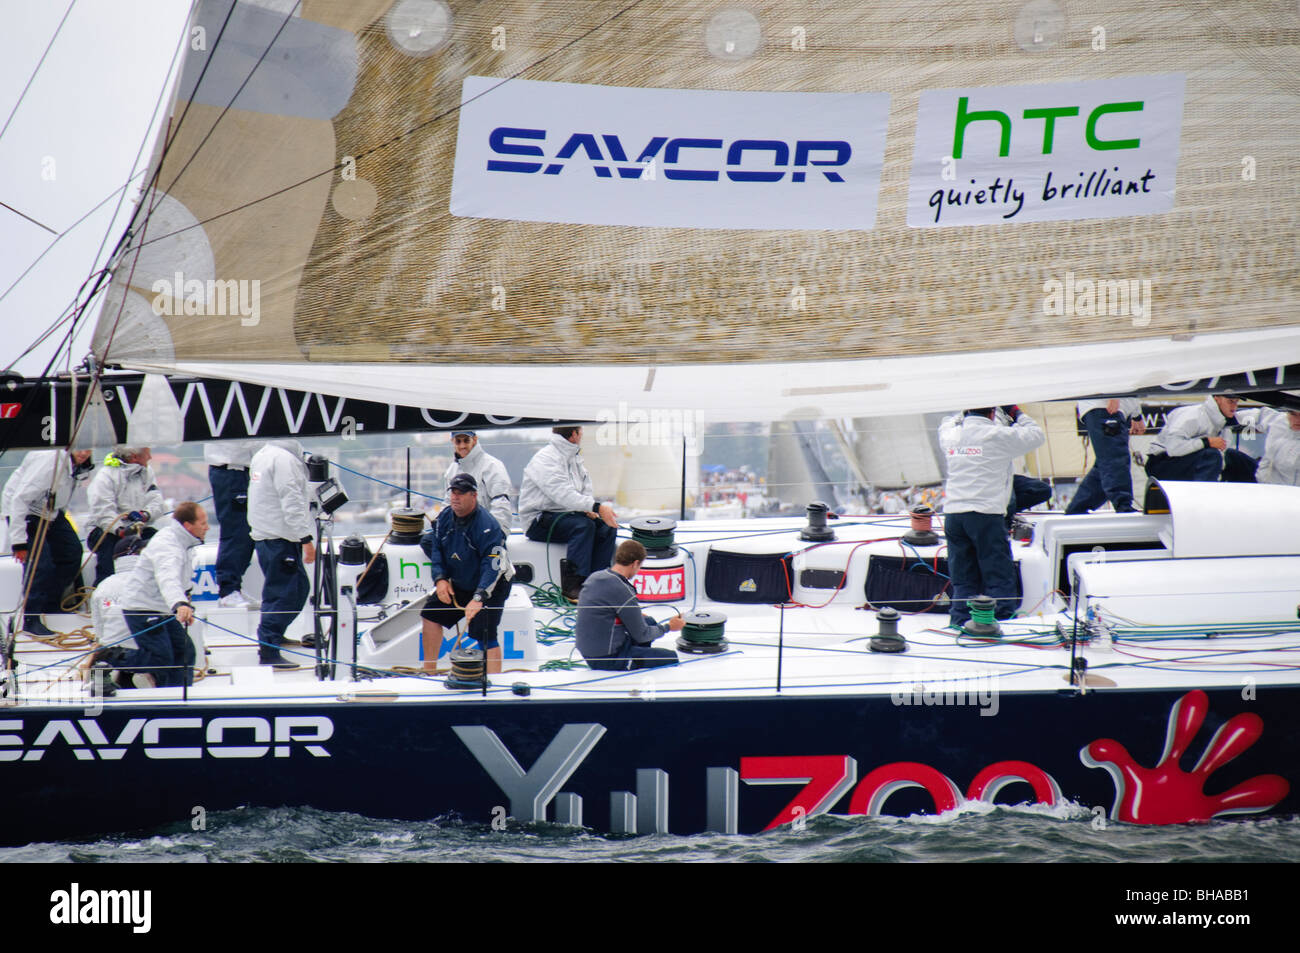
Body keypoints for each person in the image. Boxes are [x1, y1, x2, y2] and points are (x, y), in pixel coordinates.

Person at [939, 405, 1046, 629]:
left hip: (954, 515)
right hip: (985, 515)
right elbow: (1035, 435)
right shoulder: (998, 435)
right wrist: (1014, 412)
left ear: (967, 412)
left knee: (963, 576)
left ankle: (960, 621)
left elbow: (947, 422)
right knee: (997, 573)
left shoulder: (951, 435)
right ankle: (1001, 621)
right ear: (991, 414)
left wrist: (963, 411)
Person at [92, 502, 207, 688]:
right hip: (141, 607)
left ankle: (178, 695)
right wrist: (179, 603)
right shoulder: (169, 546)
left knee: (185, 652)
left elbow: (180, 579)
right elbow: (167, 577)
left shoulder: (183, 542)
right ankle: (108, 657)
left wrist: (185, 602)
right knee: (160, 658)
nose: (207, 527)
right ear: (188, 526)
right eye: (203, 523)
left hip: (160, 607)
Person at [419, 473, 512, 674]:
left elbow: (493, 566)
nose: (455, 497)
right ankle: (429, 671)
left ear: (474, 495)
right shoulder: (444, 517)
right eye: (453, 492)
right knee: (430, 616)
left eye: (461, 493)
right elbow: (436, 550)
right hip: (462, 580)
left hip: (493, 584)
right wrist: (441, 579)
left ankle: (494, 684)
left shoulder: (488, 526)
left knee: (485, 634)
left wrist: (479, 597)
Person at [519, 425, 618, 601]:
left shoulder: (573, 458)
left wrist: (589, 509)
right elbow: (561, 493)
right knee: (583, 526)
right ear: (573, 435)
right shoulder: (546, 458)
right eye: (581, 432)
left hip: (566, 515)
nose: (582, 435)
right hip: (538, 520)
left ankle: (597, 584)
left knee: (606, 528)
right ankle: (572, 586)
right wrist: (596, 507)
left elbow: (585, 487)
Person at [3, 448, 94, 636]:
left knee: (72, 553)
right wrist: (19, 542)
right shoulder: (49, 463)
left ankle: (51, 605)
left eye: (87, 449)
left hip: (51, 512)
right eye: (80, 448)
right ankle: (31, 619)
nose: (84, 453)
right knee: (40, 565)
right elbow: (20, 499)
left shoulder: (77, 467)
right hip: (27, 511)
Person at [248, 439, 314, 667]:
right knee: (286, 594)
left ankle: (275, 636)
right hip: (280, 537)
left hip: (266, 535)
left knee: (289, 590)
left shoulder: (262, 453)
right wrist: (306, 538)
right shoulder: (285, 460)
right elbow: (291, 500)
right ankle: (268, 649)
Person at [575, 539, 684, 671]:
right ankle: (633, 660)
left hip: (588, 651)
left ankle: (639, 655)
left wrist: (635, 614)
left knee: (649, 621)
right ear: (635, 563)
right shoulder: (622, 589)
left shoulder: (595, 577)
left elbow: (605, 610)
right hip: (608, 658)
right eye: (640, 566)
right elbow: (642, 635)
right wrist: (669, 627)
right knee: (670, 658)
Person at [85, 446, 166, 584]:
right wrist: (120, 530)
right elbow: (102, 511)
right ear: (134, 457)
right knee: (108, 553)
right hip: (105, 531)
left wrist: (145, 515)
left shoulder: (146, 472)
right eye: (148, 453)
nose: (150, 457)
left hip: (138, 528)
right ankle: (104, 590)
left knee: (159, 543)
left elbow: (156, 500)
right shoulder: (106, 476)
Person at [1145, 395, 1257, 483]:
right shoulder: (1192, 415)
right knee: (1211, 455)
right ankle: (1202, 501)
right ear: (1217, 399)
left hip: (1187, 462)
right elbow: (1173, 448)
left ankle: (1258, 496)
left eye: (1236, 402)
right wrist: (1206, 442)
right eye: (1230, 401)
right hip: (1161, 464)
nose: (1234, 407)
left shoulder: (1224, 424)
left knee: (1235, 457)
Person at [204, 439, 263, 608]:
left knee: (249, 533)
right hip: (232, 470)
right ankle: (228, 590)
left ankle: (233, 587)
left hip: (247, 470)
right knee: (237, 531)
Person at [85, 535, 148, 688]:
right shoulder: (150, 583)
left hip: (111, 655)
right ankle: (146, 677)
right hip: (141, 654)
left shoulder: (102, 587)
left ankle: (106, 676)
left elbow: (99, 631)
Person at [1066, 398, 1146, 514]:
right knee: (1115, 458)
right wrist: (1113, 395)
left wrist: (1136, 415)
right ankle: (1123, 506)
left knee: (1106, 463)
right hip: (1106, 405)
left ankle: (1077, 509)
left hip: (1112, 406)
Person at [444, 430, 513, 533]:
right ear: (452, 442)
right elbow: (448, 503)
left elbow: (501, 504)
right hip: (461, 532)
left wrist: (496, 533)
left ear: (475, 440)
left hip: (486, 531)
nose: (462, 445)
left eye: (466, 440)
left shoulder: (493, 466)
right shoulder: (451, 471)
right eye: (458, 441)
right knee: (427, 541)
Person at [1235, 404, 1300, 486]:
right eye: (1293, 414)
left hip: (1291, 491)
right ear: (1287, 414)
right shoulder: (1278, 421)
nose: (1297, 420)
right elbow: (1255, 416)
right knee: (1232, 455)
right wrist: (1229, 418)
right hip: (1263, 484)